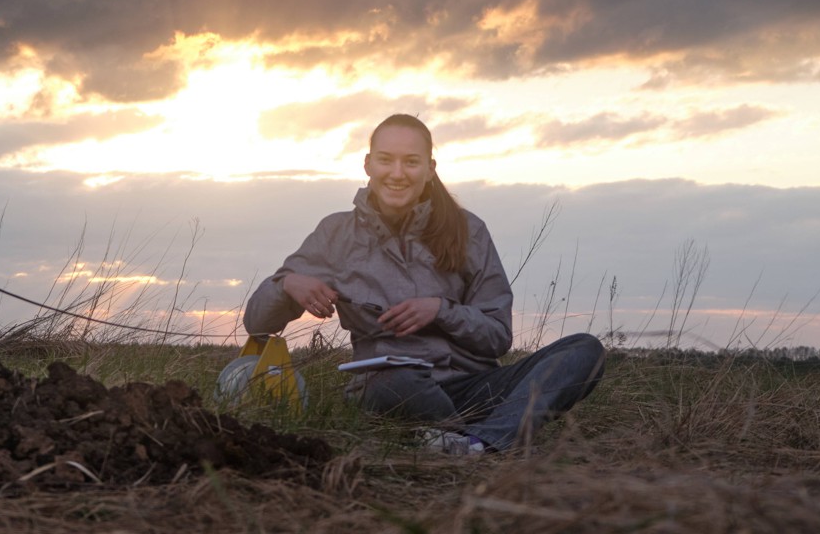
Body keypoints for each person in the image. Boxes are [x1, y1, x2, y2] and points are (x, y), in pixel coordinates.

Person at [243, 113, 605, 455]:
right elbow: (257, 323)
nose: (397, 173)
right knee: (395, 383)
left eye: (411, 162)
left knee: (584, 350)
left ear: (430, 169)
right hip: (391, 386)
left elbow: (498, 336)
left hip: (473, 386)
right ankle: (473, 435)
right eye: (386, 160)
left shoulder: (469, 230)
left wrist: (441, 311)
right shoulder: (335, 233)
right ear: (367, 164)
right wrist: (288, 284)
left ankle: (478, 443)